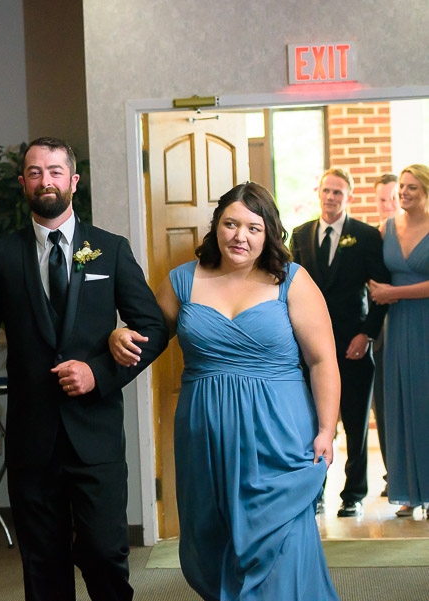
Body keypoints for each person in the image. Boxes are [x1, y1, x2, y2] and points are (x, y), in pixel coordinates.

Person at [0, 137, 169, 601]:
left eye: (54, 171)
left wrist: (98, 372)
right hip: (33, 439)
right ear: (23, 182)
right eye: (35, 172)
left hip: (96, 436)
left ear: (73, 180)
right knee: (42, 564)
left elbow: (154, 327)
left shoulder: (109, 249)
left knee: (105, 554)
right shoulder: (2, 255)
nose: (44, 180)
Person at [110, 182, 340, 600]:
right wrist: (117, 335)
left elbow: (323, 361)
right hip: (206, 436)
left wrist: (326, 429)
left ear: (269, 233)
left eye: (253, 227)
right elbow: (147, 336)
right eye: (231, 224)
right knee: (213, 540)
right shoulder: (182, 280)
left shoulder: (292, 281)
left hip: (280, 432)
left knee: (283, 540)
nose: (240, 236)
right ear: (216, 226)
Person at [289, 167, 390, 518]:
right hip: (310, 347)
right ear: (319, 193)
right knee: (315, 424)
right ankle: (315, 492)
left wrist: (367, 335)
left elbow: (380, 292)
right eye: (326, 191)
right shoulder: (300, 235)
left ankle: (353, 494)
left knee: (356, 423)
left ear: (349, 197)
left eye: (338, 192)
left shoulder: (365, 236)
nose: (331, 197)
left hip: (353, 344)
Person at [369, 164, 429, 519]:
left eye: (412, 187)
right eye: (402, 187)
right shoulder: (385, 229)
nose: (403, 192)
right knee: (401, 404)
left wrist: (394, 293)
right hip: (397, 328)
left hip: (425, 323)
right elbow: (373, 273)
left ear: (426, 191)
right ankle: (407, 490)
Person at [371, 173, 400, 498]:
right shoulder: (375, 236)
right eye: (383, 199)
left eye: (393, 197)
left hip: (414, 322)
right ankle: (395, 473)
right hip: (382, 331)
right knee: (385, 405)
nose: (389, 204)